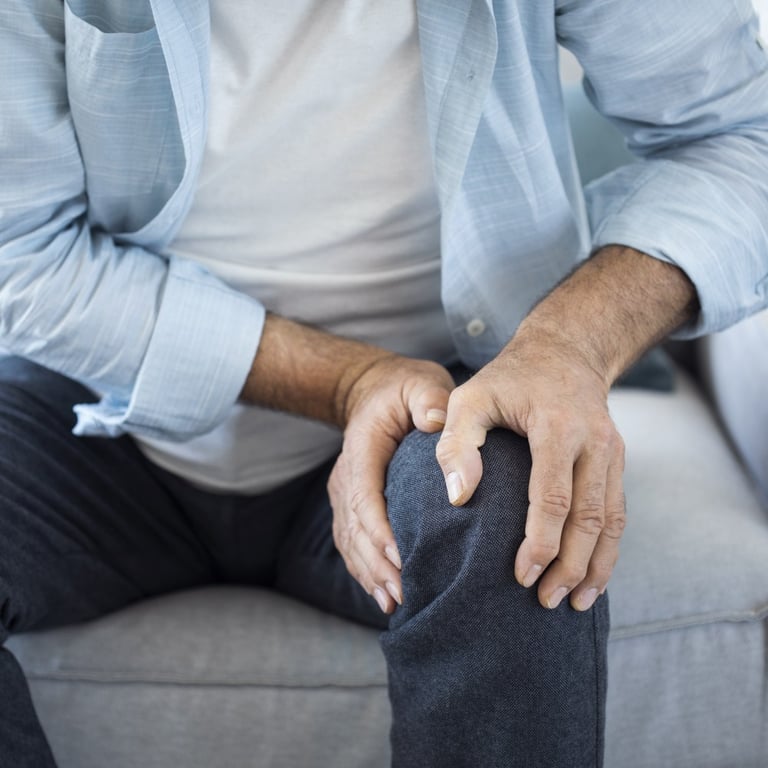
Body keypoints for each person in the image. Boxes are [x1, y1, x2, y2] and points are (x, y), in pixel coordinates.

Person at [1, 1, 766, 766]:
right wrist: (352, 382)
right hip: (89, 418)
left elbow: (741, 139)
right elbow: (19, 253)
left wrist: (568, 344)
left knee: (508, 509)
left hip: (443, 404)